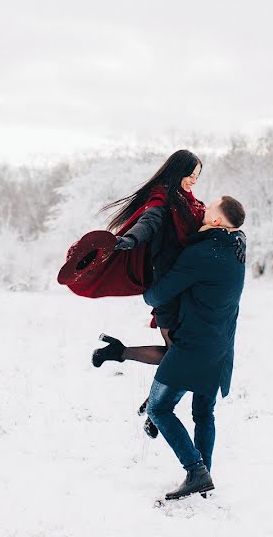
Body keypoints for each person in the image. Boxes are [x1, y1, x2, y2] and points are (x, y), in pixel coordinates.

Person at [100, 196, 247, 500]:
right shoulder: (237, 247)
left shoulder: (202, 252)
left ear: (218, 221)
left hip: (193, 345)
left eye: (212, 207)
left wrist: (145, 279)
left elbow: (156, 296)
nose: (205, 208)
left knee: (159, 408)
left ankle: (195, 471)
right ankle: (203, 476)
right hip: (221, 345)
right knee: (204, 413)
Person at [89, 150, 206, 436]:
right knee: (180, 355)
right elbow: (149, 221)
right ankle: (156, 409)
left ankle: (121, 355)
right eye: (190, 174)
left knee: (178, 354)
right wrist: (129, 239)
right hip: (166, 287)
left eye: (197, 176)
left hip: (186, 288)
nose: (193, 180)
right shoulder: (163, 196)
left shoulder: (189, 202)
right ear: (177, 170)